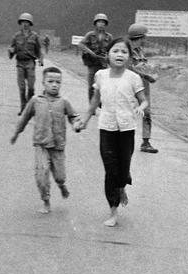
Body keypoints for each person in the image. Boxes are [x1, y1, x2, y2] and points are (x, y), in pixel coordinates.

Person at [77, 38, 148, 227]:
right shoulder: (100, 75)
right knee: (110, 169)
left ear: (129, 57)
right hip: (106, 127)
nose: (119, 55)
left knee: (123, 169)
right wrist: (84, 119)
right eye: (115, 51)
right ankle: (113, 210)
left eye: (124, 52)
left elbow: (144, 100)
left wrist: (141, 107)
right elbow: (95, 101)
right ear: (108, 54)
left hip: (127, 128)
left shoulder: (133, 78)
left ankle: (122, 185)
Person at [10, 67, 81, 214]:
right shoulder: (35, 101)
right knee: (41, 175)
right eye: (50, 81)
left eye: (58, 82)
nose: (54, 85)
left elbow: (73, 116)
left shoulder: (64, 102)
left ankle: (61, 185)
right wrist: (16, 133)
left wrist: (76, 125)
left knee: (60, 176)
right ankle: (46, 200)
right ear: (43, 82)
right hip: (41, 144)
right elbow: (24, 118)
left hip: (58, 145)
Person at [127, 23, 159, 153]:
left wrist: (150, 73)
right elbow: (129, 68)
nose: (145, 39)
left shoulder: (140, 51)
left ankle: (146, 142)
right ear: (139, 37)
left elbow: (143, 66)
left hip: (143, 85)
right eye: (143, 37)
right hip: (130, 85)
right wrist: (146, 75)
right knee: (127, 113)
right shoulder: (127, 50)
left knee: (147, 113)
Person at [8, 12, 44, 115]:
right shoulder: (16, 36)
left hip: (30, 63)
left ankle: (30, 107)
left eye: (27, 22)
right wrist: (10, 51)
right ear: (20, 23)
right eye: (23, 22)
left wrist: (41, 59)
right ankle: (23, 108)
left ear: (30, 23)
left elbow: (39, 49)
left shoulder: (35, 36)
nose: (25, 24)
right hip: (20, 63)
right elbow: (12, 49)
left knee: (31, 87)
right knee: (22, 87)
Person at [78, 13, 113, 103]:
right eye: (99, 22)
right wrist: (90, 52)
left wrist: (108, 56)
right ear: (95, 23)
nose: (101, 24)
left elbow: (112, 49)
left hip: (103, 64)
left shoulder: (109, 37)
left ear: (106, 24)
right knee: (91, 85)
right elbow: (81, 44)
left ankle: (101, 103)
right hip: (92, 63)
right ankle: (91, 105)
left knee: (103, 85)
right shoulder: (90, 35)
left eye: (103, 22)